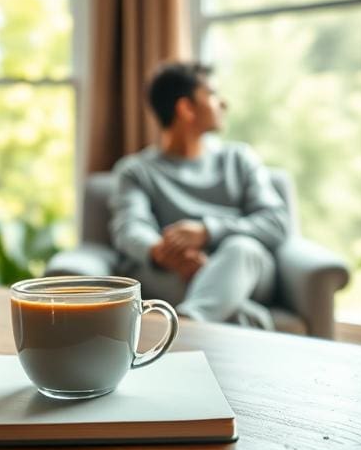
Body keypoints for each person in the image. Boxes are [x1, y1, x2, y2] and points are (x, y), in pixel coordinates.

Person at [109, 61, 289, 329]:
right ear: (186, 108)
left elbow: (276, 222)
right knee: (244, 317)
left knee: (242, 248)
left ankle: (186, 327)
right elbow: (130, 227)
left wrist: (207, 231)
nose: (223, 104)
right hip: (176, 271)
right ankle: (213, 315)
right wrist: (163, 252)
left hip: (244, 267)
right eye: (213, 95)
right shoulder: (136, 171)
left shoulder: (239, 158)